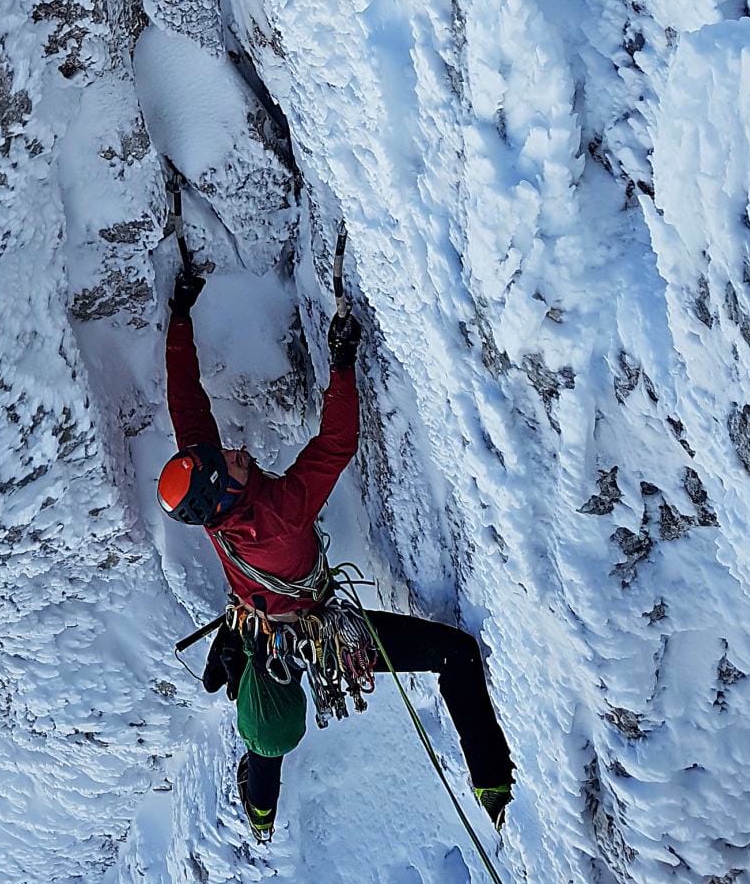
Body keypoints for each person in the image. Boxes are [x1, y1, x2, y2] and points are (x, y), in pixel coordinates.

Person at [157, 263, 514, 839]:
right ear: (223, 489)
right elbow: (336, 443)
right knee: (455, 656)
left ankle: (261, 804)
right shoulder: (279, 514)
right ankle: (493, 782)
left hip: (256, 626)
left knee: (268, 728)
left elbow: (186, 405)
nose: (236, 449)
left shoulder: (213, 506)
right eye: (231, 461)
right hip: (314, 632)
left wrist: (179, 318)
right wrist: (342, 365)